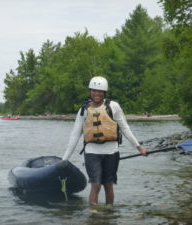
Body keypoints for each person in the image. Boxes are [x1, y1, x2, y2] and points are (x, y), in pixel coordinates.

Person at [62, 76, 148, 206]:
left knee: (108, 185)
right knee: (95, 184)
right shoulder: (83, 110)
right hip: (92, 152)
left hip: (111, 152)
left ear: (104, 93)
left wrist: (139, 147)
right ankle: (94, 215)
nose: (96, 94)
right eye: (94, 91)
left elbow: (125, 128)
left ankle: (109, 213)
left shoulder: (113, 107)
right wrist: (65, 160)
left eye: (100, 91)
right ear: (90, 92)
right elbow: (74, 136)